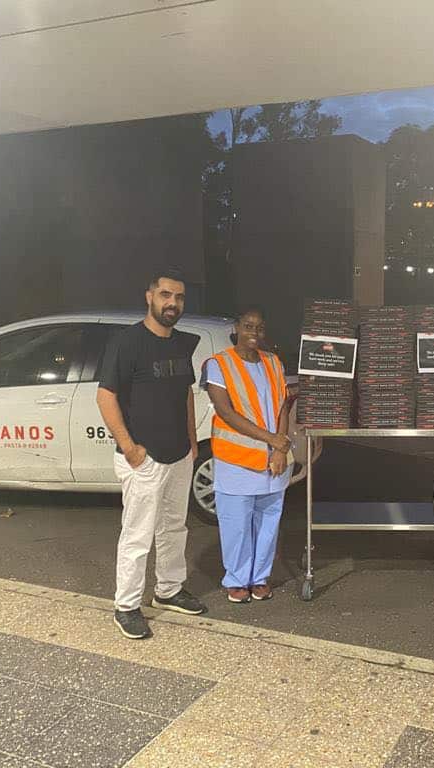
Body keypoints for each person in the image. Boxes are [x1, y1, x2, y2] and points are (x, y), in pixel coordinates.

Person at [97, 267, 206, 640]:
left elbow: (186, 392)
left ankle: (168, 590)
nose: (172, 303)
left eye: (179, 297)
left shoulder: (181, 343)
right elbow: (105, 396)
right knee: (138, 534)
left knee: (174, 527)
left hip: (179, 455)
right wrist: (129, 448)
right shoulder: (127, 342)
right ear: (150, 297)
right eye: (165, 295)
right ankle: (127, 606)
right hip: (145, 459)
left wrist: (192, 441)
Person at [203, 307, 292, 602]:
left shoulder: (273, 362)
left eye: (259, 327)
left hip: (273, 461)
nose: (254, 332)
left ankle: (260, 578)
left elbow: (282, 406)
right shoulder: (218, 364)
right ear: (237, 328)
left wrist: (279, 448)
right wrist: (273, 440)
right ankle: (237, 579)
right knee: (237, 524)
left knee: (268, 522)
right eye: (248, 326)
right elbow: (225, 412)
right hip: (237, 461)